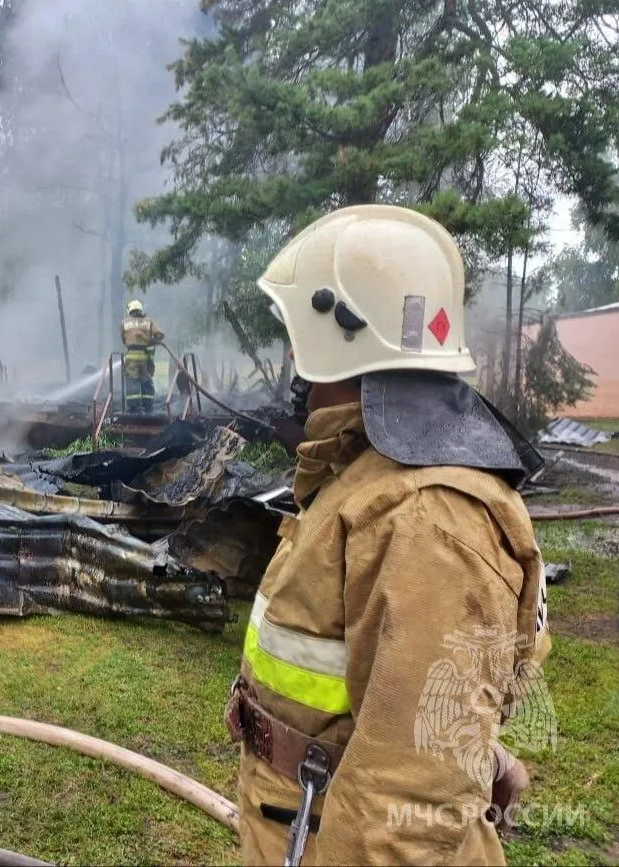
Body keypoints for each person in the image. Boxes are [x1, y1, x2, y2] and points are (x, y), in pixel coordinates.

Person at [225, 205, 551, 865]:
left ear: (339, 333)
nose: (293, 358)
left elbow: (406, 807)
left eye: (298, 336)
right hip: (298, 823)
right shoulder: (363, 477)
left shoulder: (431, 517)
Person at [120, 299, 164, 413]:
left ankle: (134, 409)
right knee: (146, 381)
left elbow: (124, 340)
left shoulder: (124, 322)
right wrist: (152, 341)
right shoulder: (149, 321)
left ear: (129, 310)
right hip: (144, 356)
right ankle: (148, 407)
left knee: (132, 382)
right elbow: (160, 334)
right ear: (140, 309)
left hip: (131, 356)